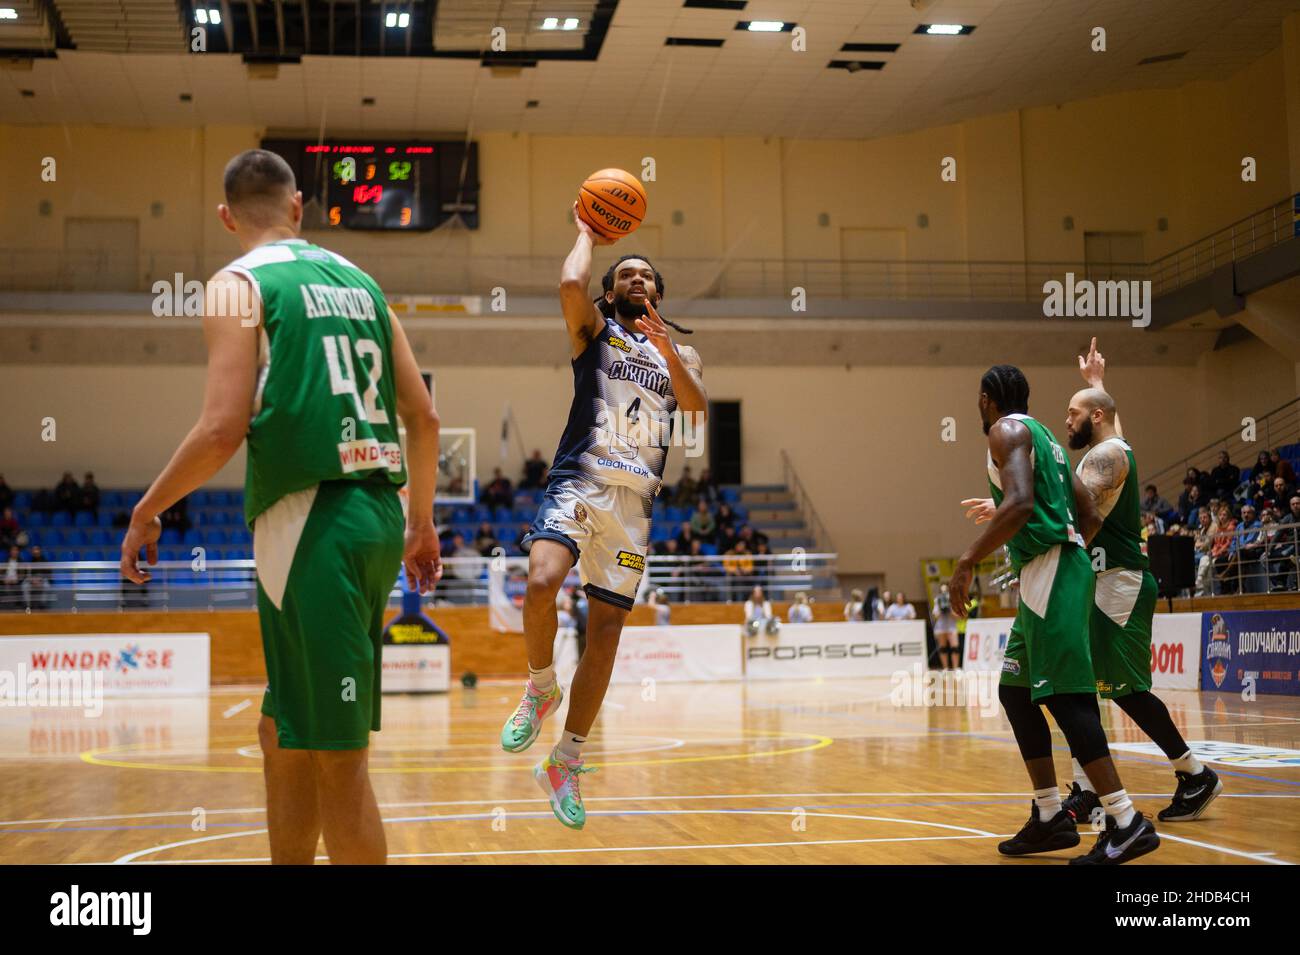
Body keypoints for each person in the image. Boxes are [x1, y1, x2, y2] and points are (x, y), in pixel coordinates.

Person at [119, 149, 441, 865]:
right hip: (378, 516)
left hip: (310, 523)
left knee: (338, 756)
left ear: (226, 217)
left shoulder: (238, 286)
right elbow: (424, 416)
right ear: (300, 208)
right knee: (282, 731)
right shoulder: (363, 284)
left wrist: (146, 509)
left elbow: (220, 428)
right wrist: (422, 522)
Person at [498, 206, 707, 831]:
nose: (636, 279)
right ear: (610, 292)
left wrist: (669, 350)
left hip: (634, 504)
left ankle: (565, 760)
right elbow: (568, 286)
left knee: (606, 635)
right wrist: (588, 233)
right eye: (625, 275)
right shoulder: (593, 333)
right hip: (579, 481)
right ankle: (540, 685)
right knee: (539, 582)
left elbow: (694, 416)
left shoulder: (682, 354)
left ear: (660, 293)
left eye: (646, 274)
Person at [950, 362, 1158, 864]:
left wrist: (966, 562)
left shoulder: (1005, 430)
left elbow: (1021, 503)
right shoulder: (1045, 438)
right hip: (1051, 570)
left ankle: (1126, 820)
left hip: (1054, 571)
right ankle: (1049, 816)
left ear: (986, 400)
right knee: (1016, 693)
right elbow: (1084, 513)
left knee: (1068, 701)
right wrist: (1065, 552)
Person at [1056, 339, 1220, 822]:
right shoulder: (1110, 445)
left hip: (1119, 583)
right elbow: (1114, 424)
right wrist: (1095, 385)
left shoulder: (1107, 457)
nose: (1066, 420)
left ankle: (1195, 774)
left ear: (1097, 419)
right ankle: (1087, 788)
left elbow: (1072, 515)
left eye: (1073, 412)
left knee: (1122, 690)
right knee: (1082, 688)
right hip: (1103, 582)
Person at [931, 584, 958, 669]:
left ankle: (955, 668)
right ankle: (945, 668)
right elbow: (935, 616)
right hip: (941, 627)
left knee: (955, 647)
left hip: (951, 626)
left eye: (946, 590)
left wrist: (950, 609)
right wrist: (941, 609)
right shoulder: (937, 600)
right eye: (942, 591)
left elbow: (957, 616)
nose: (944, 592)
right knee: (943, 648)